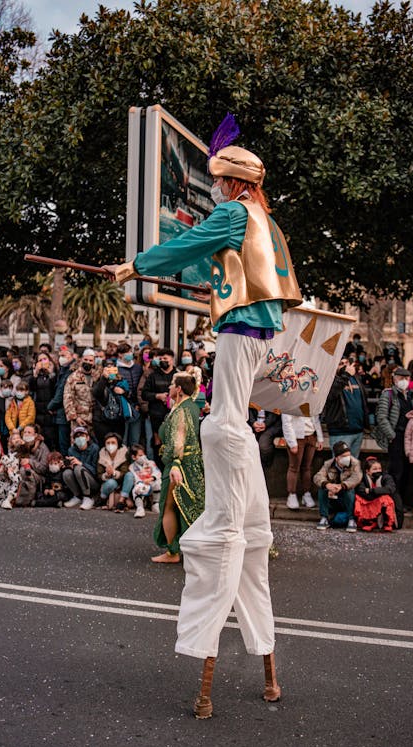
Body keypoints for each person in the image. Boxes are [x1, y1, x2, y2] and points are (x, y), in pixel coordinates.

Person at [102, 131, 302, 716]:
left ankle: (227, 487)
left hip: (243, 328)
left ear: (236, 183)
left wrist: (134, 267)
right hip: (260, 326)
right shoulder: (263, 217)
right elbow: (229, 265)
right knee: (229, 417)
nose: (213, 187)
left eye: (218, 179)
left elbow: (189, 243)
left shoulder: (233, 212)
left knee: (225, 422)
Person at [151, 372, 205, 562]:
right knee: (190, 505)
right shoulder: (191, 405)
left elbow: (178, 438)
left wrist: (174, 464)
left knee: (169, 506)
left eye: (172, 384)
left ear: (179, 389)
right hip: (192, 463)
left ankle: (172, 552)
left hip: (180, 464)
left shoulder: (181, 411)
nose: (169, 388)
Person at [373, 367, 413, 524]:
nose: (404, 381)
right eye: (401, 378)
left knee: (406, 471)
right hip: (395, 438)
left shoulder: (408, 395)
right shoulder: (388, 394)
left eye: (407, 378)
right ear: (395, 379)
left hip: (407, 438)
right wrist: (392, 435)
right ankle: (395, 503)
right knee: (396, 471)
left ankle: (402, 502)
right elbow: (382, 417)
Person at [323, 357, 370, 458]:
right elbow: (331, 395)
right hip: (340, 432)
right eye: (341, 363)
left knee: (353, 467)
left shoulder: (355, 378)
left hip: (358, 431)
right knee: (340, 465)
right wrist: (346, 375)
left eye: (346, 363)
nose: (344, 366)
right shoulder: (330, 379)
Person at [313, 440, 362, 532]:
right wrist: (327, 485)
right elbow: (318, 476)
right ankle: (324, 518)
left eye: (348, 455)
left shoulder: (355, 463)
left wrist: (342, 486)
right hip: (333, 496)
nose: (347, 458)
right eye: (343, 456)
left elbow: (356, 478)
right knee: (322, 488)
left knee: (350, 490)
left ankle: (352, 520)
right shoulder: (328, 464)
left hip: (346, 496)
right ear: (336, 458)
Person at [281, 411, 323, 509]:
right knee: (294, 467)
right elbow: (286, 422)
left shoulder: (311, 398)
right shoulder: (291, 398)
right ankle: (291, 494)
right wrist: (292, 442)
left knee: (307, 467)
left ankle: (306, 493)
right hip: (297, 437)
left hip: (311, 436)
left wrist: (320, 437)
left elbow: (316, 418)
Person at [141, 348, 176, 466]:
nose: (162, 361)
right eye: (160, 359)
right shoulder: (152, 376)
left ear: (172, 360)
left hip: (174, 416)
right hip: (156, 416)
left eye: (165, 359)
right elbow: (144, 394)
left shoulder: (178, 375)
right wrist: (157, 396)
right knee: (157, 443)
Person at [9, 424, 50, 508]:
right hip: (18, 470)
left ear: (35, 435)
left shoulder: (42, 447)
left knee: (25, 471)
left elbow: (44, 469)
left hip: (38, 476)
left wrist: (30, 462)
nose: (26, 434)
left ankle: (23, 500)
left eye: (29, 432)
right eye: (25, 432)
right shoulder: (21, 444)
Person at [354, 457, 397, 532]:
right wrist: (378, 493)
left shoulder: (386, 477)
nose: (378, 471)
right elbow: (361, 490)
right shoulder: (362, 478)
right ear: (367, 471)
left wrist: (372, 490)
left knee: (385, 498)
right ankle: (369, 522)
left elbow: (390, 489)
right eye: (375, 469)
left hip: (379, 500)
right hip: (369, 499)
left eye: (379, 468)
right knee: (359, 499)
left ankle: (387, 522)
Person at [119, 442, 161, 518]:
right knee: (136, 489)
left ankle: (155, 504)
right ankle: (140, 508)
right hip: (142, 484)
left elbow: (157, 472)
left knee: (158, 483)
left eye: (143, 454)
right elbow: (135, 478)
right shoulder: (132, 467)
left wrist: (151, 478)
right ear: (134, 457)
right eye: (140, 455)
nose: (143, 457)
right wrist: (142, 482)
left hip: (151, 482)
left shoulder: (151, 463)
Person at [62, 426, 99, 510]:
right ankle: (78, 497)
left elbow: (96, 471)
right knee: (66, 473)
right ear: (74, 440)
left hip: (92, 481)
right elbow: (72, 469)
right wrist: (67, 466)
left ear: (87, 437)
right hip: (79, 479)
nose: (79, 438)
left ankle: (88, 497)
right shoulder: (71, 450)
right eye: (77, 437)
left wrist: (81, 463)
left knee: (79, 468)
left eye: (82, 435)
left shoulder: (95, 449)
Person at [47, 346, 74, 456]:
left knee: (64, 443)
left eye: (64, 356)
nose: (61, 358)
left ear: (71, 356)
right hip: (61, 412)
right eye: (60, 356)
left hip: (64, 412)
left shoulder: (69, 371)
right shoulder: (63, 369)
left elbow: (61, 392)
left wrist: (50, 406)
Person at [63, 349, 98, 434]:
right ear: (81, 359)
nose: (88, 362)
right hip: (79, 419)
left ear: (94, 362)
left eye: (90, 360)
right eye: (86, 360)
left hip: (95, 418)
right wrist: (75, 417)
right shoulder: (73, 377)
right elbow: (67, 399)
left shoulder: (97, 376)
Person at [116, 341, 143, 447]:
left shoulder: (137, 368)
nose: (129, 354)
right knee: (123, 439)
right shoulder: (116, 369)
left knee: (135, 440)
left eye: (130, 352)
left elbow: (140, 387)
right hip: (123, 408)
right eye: (126, 352)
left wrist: (138, 403)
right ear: (120, 355)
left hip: (136, 407)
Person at [29, 351, 57, 449]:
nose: (42, 362)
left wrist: (51, 373)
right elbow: (31, 389)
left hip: (51, 410)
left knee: (51, 437)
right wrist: (35, 374)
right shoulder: (36, 375)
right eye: (40, 360)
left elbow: (56, 389)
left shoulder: (54, 373)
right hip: (39, 410)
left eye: (44, 359)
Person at [97, 432, 129, 511]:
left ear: (118, 444)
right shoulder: (101, 455)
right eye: (108, 443)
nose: (110, 445)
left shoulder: (124, 454)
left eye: (113, 442)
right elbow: (98, 475)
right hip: (107, 483)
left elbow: (125, 472)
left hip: (122, 482)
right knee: (111, 482)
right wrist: (106, 475)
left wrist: (114, 473)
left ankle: (121, 502)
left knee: (130, 475)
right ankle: (102, 499)